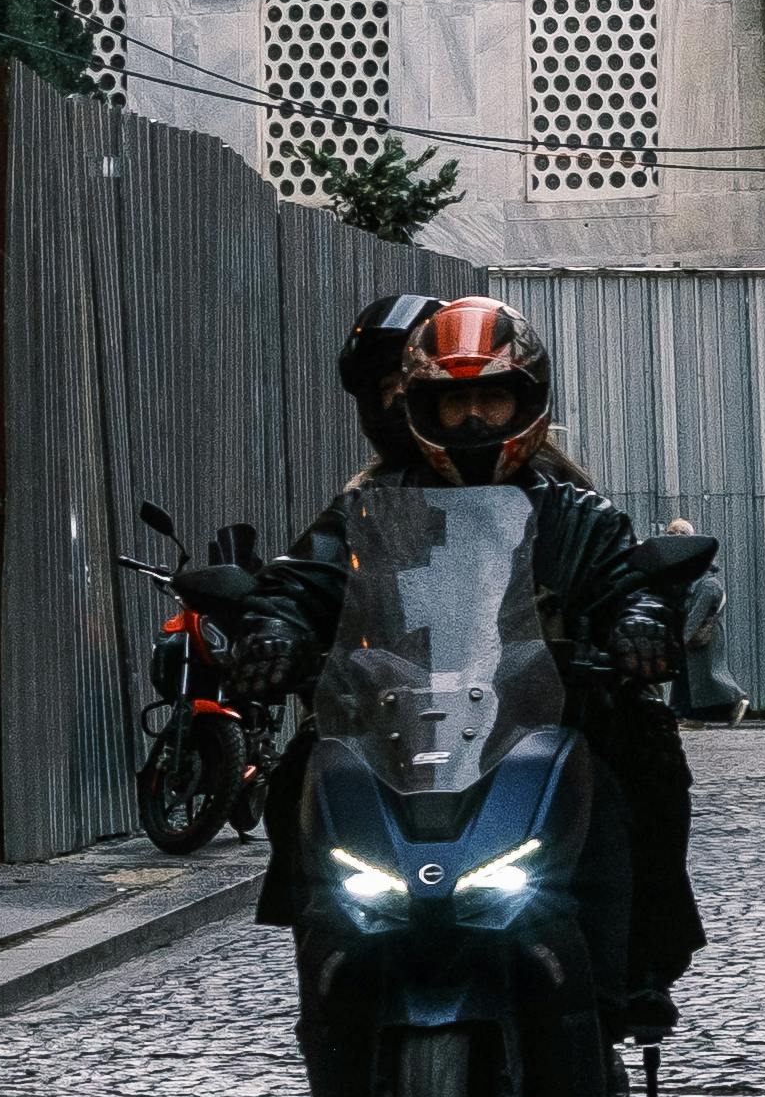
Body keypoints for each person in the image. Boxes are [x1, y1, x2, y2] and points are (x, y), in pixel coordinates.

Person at [265, 292, 707, 1035]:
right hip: (405, 721)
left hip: (542, 715)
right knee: (302, 769)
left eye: (493, 400)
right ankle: (327, 947)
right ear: (422, 409)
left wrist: (636, 626)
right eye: (452, 403)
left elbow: (621, 579)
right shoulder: (369, 508)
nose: (473, 420)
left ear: (525, 403)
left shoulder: (573, 509)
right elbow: (309, 579)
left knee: (643, 760)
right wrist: (274, 629)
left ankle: (635, 964)